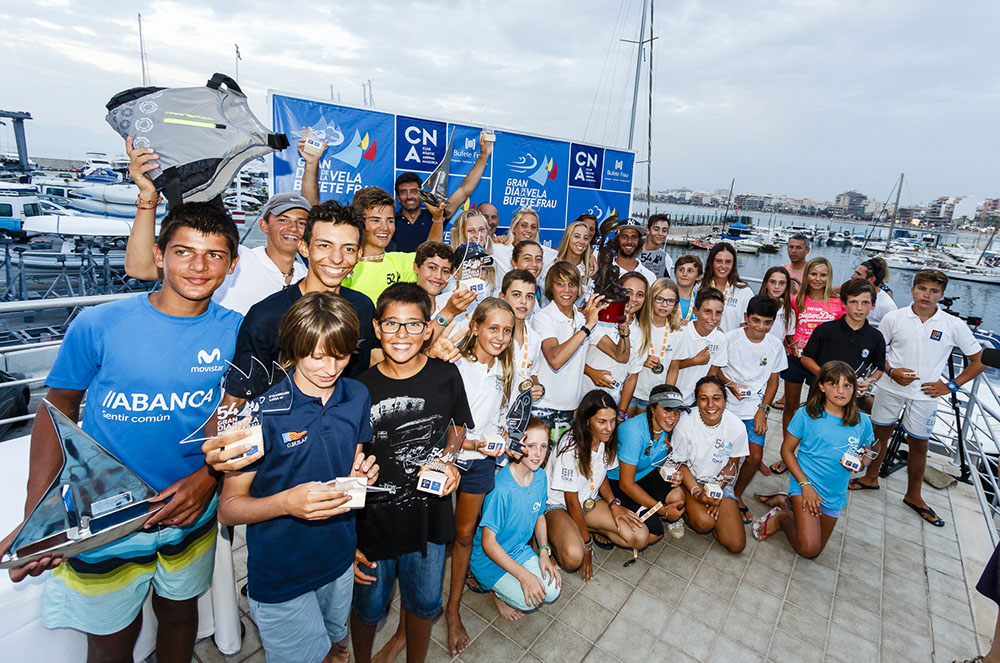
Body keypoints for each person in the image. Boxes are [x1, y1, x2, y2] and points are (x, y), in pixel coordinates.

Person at [0, 203, 243, 663]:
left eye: (214, 255)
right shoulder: (99, 324)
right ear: (158, 254)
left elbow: (233, 415)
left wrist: (208, 479)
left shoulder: (239, 333)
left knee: (179, 613)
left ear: (232, 265)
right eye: (184, 251)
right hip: (105, 510)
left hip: (190, 506)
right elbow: (58, 408)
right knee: (110, 640)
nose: (198, 266)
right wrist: (40, 513)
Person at [218, 293, 379, 663]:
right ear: (293, 347)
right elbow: (227, 509)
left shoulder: (357, 395)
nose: (330, 367)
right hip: (281, 573)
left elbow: (353, 460)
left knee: (336, 645)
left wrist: (362, 474)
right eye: (317, 355)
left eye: (339, 354)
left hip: (338, 560)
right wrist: (286, 503)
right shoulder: (260, 413)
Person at [350, 283, 472, 663]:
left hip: (428, 522)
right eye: (392, 324)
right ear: (376, 327)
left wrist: (449, 459)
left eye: (413, 325)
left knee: (423, 604)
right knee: (368, 609)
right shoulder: (358, 389)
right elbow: (349, 462)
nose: (402, 335)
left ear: (428, 328)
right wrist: (345, 534)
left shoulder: (446, 375)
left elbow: (458, 424)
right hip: (372, 524)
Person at [852, 270, 985, 527]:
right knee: (879, 434)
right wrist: (891, 371)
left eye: (934, 291)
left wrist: (950, 386)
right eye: (922, 288)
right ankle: (870, 478)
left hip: (926, 396)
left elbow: (978, 361)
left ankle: (914, 495)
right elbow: (877, 353)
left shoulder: (953, 325)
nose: (927, 295)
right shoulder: (894, 318)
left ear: (942, 295)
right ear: (913, 289)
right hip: (890, 388)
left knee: (919, 445)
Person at [122, 138, 309, 315]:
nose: (293, 228)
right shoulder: (238, 259)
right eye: (283, 220)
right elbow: (140, 268)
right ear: (264, 225)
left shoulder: (305, 275)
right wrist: (148, 195)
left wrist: (311, 163)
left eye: (301, 223)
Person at [220, 200, 376, 411]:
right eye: (324, 245)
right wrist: (220, 439)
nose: (337, 258)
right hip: (281, 437)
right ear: (304, 247)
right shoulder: (266, 315)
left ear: (359, 255)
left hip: (342, 433)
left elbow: (362, 378)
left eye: (348, 248)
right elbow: (234, 402)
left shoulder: (362, 308)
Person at [447, 298, 516, 654]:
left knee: (464, 533)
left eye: (507, 330)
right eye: (493, 328)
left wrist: (501, 437)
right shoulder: (455, 365)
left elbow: (500, 417)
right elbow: (442, 425)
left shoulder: (505, 368)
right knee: (434, 536)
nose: (501, 337)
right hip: (447, 460)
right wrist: (476, 442)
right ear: (474, 327)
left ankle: (453, 608)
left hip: (481, 462)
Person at [752, 361, 874, 558]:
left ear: (854, 389)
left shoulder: (863, 421)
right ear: (821, 386)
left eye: (847, 386)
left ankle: (786, 504)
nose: (840, 391)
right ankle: (783, 518)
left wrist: (862, 464)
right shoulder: (807, 414)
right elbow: (787, 451)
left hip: (834, 493)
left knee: (817, 550)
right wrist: (805, 486)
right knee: (808, 549)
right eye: (833, 384)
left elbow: (869, 449)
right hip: (805, 485)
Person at [544, 390, 648, 581]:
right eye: (601, 421)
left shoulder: (606, 440)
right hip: (559, 505)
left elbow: (602, 475)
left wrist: (613, 503)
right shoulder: (569, 447)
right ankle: (558, 535)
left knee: (640, 536)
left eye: (612, 420)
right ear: (586, 421)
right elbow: (571, 501)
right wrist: (587, 544)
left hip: (587, 501)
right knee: (573, 558)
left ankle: (582, 528)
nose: (609, 427)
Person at [470, 418, 562, 620]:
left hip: (518, 550)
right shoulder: (502, 488)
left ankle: (510, 582)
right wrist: (524, 575)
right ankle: (494, 592)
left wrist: (545, 552)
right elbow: (488, 543)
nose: (538, 454)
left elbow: (539, 516)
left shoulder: (540, 477)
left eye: (543, 446)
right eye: (530, 446)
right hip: (488, 560)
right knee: (528, 600)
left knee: (552, 590)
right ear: (517, 446)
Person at [719, 296, 787, 521]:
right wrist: (730, 385)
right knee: (725, 455)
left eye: (767, 323)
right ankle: (719, 493)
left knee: (755, 458)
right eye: (755, 320)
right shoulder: (729, 339)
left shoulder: (775, 346)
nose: (760, 327)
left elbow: (773, 382)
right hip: (726, 406)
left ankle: (737, 495)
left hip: (754, 410)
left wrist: (763, 411)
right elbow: (715, 370)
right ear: (746, 317)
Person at [670, 376, 748, 553]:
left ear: (725, 400)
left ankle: (715, 519)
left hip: (718, 482)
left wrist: (716, 493)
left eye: (716, 398)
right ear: (696, 401)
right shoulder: (685, 423)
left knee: (736, 545)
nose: (710, 405)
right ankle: (683, 509)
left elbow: (733, 463)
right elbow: (680, 464)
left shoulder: (736, 426)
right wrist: (697, 494)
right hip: (690, 478)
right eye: (703, 398)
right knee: (704, 522)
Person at [532, 262, 606, 437]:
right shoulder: (542, 317)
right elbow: (555, 360)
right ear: (551, 287)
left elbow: (619, 355)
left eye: (572, 284)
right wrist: (586, 327)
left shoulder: (583, 318)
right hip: (543, 408)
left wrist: (624, 327)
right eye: (560, 284)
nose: (567, 290)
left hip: (572, 408)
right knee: (537, 463)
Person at [608, 385, 689, 540]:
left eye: (677, 411)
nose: (673, 417)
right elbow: (626, 484)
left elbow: (657, 463)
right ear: (652, 409)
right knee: (653, 534)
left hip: (643, 475)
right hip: (616, 481)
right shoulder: (633, 432)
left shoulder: (669, 428)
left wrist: (673, 474)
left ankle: (647, 512)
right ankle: (604, 522)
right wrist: (662, 510)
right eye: (667, 410)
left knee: (678, 497)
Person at [781, 257, 842, 459]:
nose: (817, 279)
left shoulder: (837, 303)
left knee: (814, 409)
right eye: (813, 274)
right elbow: (789, 328)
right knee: (790, 406)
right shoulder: (796, 300)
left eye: (823, 275)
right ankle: (787, 452)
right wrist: (792, 343)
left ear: (829, 277)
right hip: (796, 359)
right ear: (807, 275)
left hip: (822, 364)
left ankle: (807, 454)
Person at [392, 131, 493, 252]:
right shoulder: (391, 221)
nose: (409, 196)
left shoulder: (436, 215)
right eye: (403, 192)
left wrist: (484, 155)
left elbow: (465, 190)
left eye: (413, 191)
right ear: (398, 197)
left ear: (421, 194)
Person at [801, 279, 886, 407]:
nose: (859, 308)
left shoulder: (876, 337)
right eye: (853, 302)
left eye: (865, 303)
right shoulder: (825, 330)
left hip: (853, 398)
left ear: (873, 304)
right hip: (821, 395)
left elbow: (879, 368)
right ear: (844, 303)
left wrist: (868, 382)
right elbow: (806, 358)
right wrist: (828, 378)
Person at [341, 186, 432, 304]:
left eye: (390, 221)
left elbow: (433, 254)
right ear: (359, 223)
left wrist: (438, 218)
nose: (385, 228)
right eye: (375, 220)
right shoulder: (345, 266)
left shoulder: (400, 260)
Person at [583, 271, 646, 409]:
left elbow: (632, 377)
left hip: (612, 403)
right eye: (628, 292)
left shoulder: (642, 331)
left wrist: (622, 411)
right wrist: (591, 372)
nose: (633, 299)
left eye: (640, 294)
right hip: (583, 397)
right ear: (617, 292)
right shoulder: (600, 319)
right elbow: (575, 358)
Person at [623, 277, 682, 414]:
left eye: (670, 301)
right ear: (650, 299)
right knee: (625, 430)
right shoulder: (637, 324)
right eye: (659, 299)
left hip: (655, 397)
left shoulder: (678, 332)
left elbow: (673, 369)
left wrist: (666, 395)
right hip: (631, 390)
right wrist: (642, 359)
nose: (664, 305)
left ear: (675, 304)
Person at [666, 287, 728, 406]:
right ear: (696, 311)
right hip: (671, 394)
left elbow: (712, 374)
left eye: (718, 313)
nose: (713, 318)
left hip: (695, 401)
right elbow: (668, 366)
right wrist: (694, 361)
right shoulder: (681, 332)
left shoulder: (721, 339)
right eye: (707, 311)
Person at [499, 270, 545, 402]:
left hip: (519, 413)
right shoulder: (493, 335)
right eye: (516, 295)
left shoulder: (535, 338)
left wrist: (537, 387)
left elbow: (532, 373)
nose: (523, 301)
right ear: (502, 297)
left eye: (529, 296)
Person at [701, 242, 753, 333]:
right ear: (711, 262)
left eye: (728, 262)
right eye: (719, 261)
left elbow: (746, 327)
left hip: (731, 345)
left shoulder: (744, 292)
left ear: (733, 264)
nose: (723, 266)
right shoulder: (699, 287)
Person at [759, 266, 796, 347]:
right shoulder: (754, 305)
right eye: (772, 282)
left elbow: (788, 336)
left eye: (782, 283)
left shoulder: (789, 312)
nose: (776, 287)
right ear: (765, 284)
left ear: (787, 286)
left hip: (776, 353)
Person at [610, 220, 657, 284]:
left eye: (634, 237)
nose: (629, 241)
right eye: (624, 236)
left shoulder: (650, 277)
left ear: (639, 241)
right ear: (617, 239)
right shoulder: (604, 271)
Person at [851, 257, 896, 324]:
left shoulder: (886, 306)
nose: (852, 276)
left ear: (871, 279)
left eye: (858, 274)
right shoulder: (850, 293)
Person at [555, 221, 597, 288]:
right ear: (567, 238)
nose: (582, 242)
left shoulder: (591, 270)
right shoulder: (553, 264)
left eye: (586, 238)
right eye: (577, 236)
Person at [640, 214, 674, 279]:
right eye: (656, 229)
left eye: (664, 230)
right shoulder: (635, 252)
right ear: (648, 230)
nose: (660, 234)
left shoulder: (666, 258)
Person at [673, 254, 703, 324]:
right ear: (675, 273)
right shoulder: (666, 297)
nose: (684, 274)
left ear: (698, 276)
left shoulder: (701, 302)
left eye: (690, 271)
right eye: (681, 270)